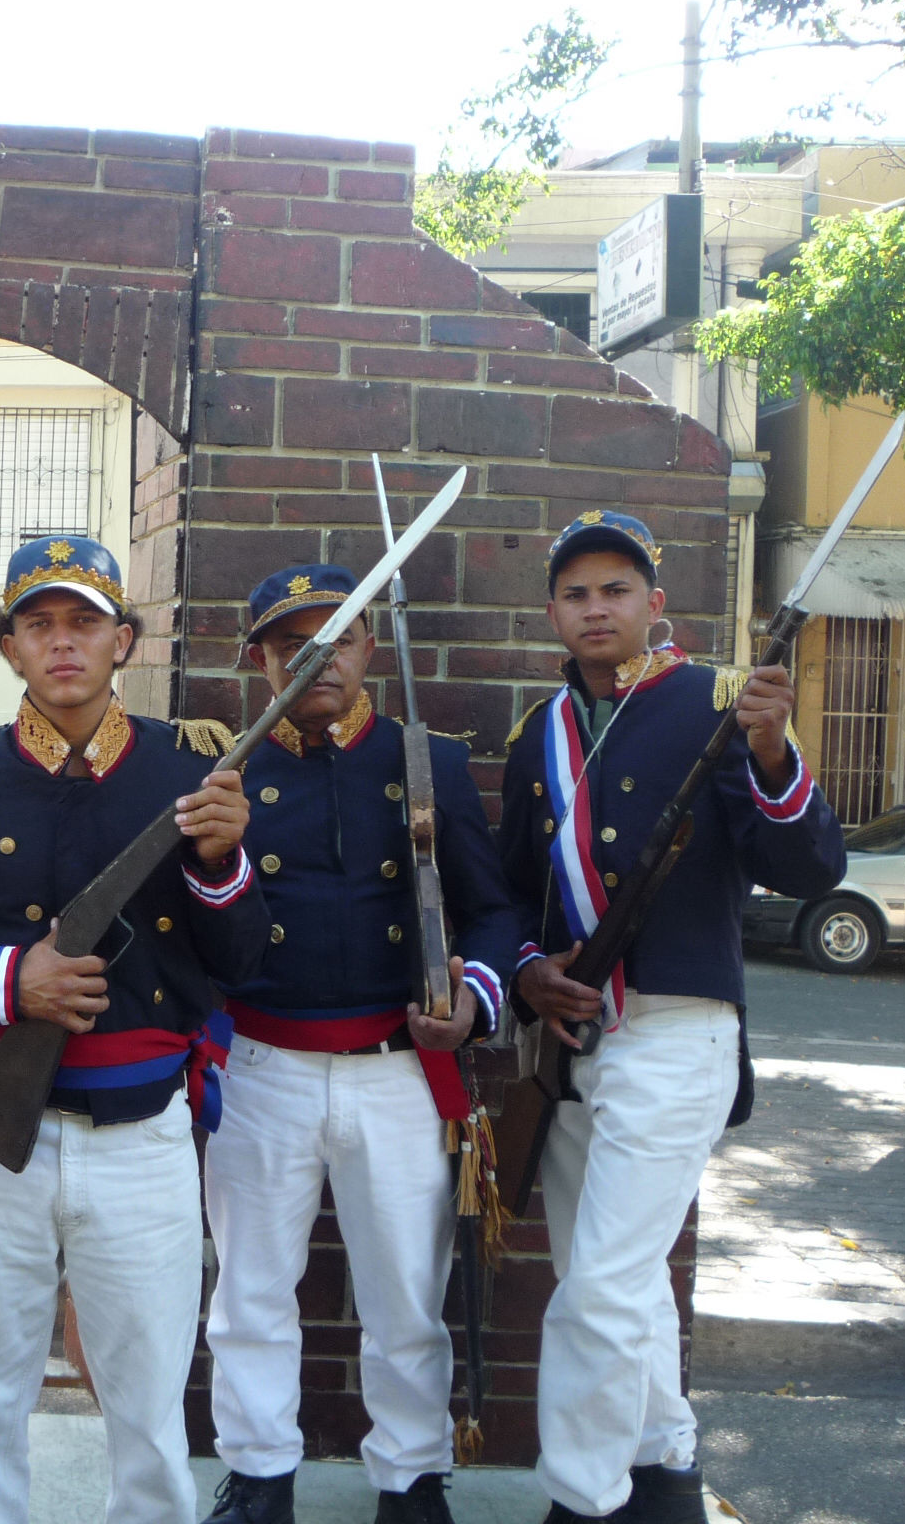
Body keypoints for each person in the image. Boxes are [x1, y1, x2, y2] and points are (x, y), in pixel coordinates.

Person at [0, 534, 268, 1524]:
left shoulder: (188, 769)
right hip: (0, 1137)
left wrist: (218, 865)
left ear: (122, 639)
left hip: (143, 1136)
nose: (62, 643)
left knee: (146, 1406)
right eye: (37, 624)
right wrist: (8, 984)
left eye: (83, 621)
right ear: (7, 648)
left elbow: (244, 962)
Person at [499, 512, 844, 1524]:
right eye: (575, 593)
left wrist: (773, 750)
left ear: (656, 603)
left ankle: (582, 1498)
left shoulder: (721, 704)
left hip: (674, 1028)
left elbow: (806, 867)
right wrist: (527, 971)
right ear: (552, 613)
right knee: (611, 1273)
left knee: (600, 1285)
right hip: (571, 1039)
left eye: (616, 589)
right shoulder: (539, 732)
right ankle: (662, 1471)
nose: (594, 607)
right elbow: (512, 893)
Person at [202, 565, 522, 1524]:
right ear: (258, 662)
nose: (315, 657)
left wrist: (473, 994)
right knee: (251, 1292)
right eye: (289, 641)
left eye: (336, 637)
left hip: (395, 1069)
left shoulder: (431, 762)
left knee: (405, 1297)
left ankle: (411, 1480)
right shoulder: (222, 773)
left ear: (370, 648)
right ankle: (259, 1476)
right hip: (262, 1067)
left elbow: (494, 912)